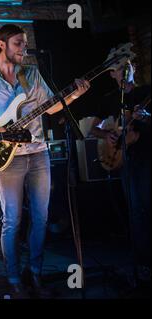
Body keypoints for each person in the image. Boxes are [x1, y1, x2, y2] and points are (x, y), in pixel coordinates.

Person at [0, 24, 90, 298]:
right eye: (18, 43)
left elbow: (52, 106)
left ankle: (36, 273)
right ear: (2, 44)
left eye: (25, 42)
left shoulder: (31, 73)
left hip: (38, 152)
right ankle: (13, 278)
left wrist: (75, 94)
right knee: (13, 220)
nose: (24, 47)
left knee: (41, 218)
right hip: (5, 157)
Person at [89, 60, 150, 284]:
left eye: (127, 67)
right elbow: (92, 128)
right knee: (136, 211)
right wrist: (107, 135)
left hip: (147, 156)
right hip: (126, 160)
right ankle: (142, 264)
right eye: (117, 70)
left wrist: (146, 117)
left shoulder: (146, 92)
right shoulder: (108, 99)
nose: (123, 72)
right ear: (112, 75)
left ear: (133, 68)